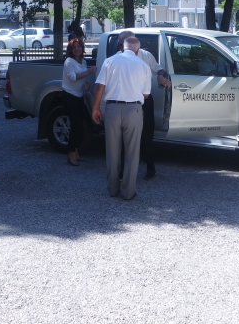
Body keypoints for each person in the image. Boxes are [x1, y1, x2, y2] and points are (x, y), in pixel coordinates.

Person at [92, 36, 151, 200]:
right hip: (134, 110)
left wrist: (95, 108)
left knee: (112, 152)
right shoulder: (144, 66)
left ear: (123, 47)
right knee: (132, 153)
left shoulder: (110, 61)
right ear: (137, 50)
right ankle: (128, 192)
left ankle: (112, 189)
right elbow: (146, 94)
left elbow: (99, 86)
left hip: (112, 108)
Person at [116, 31, 171, 179]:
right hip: (125, 101)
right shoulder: (116, 59)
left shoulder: (145, 55)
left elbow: (160, 69)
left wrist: (160, 76)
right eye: (120, 44)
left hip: (144, 99)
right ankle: (122, 172)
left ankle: (150, 167)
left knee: (147, 135)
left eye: (125, 43)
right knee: (123, 137)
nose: (123, 46)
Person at [62, 38, 97, 165]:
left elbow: (82, 79)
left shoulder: (83, 62)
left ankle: (75, 150)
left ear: (82, 48)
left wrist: (86, 85)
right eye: (74, 47)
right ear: (70, 50)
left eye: (79, 46)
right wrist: (88, 72)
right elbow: (72, 77)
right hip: (69, 96)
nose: (77, 49)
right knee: (75, 125)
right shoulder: (69, 62)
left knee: (81, 126)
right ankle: (71, 153)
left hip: (79, 96)